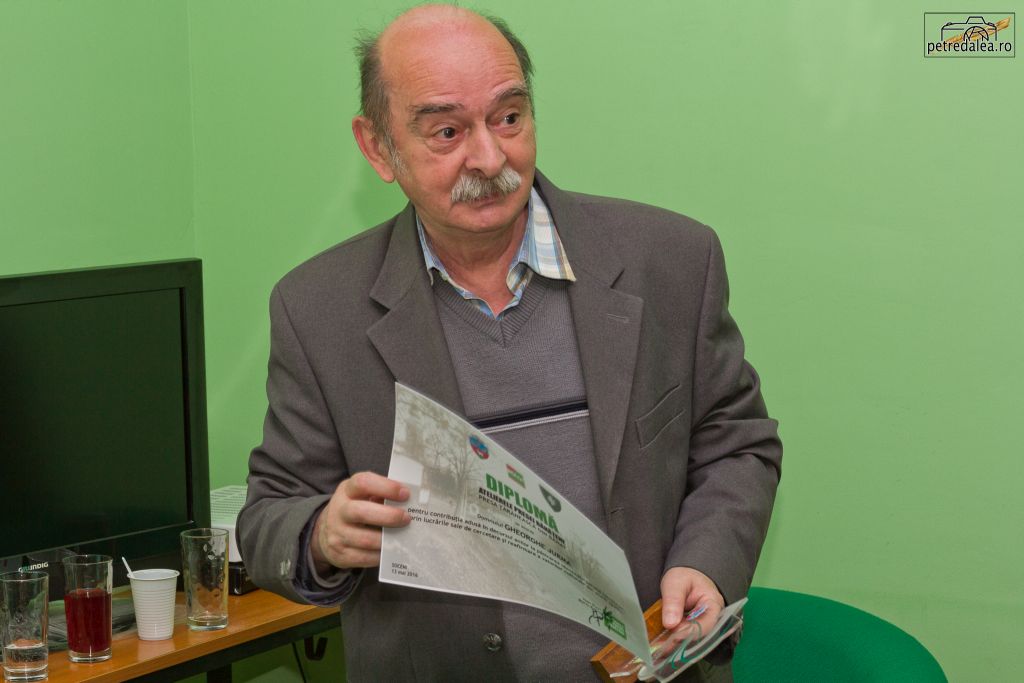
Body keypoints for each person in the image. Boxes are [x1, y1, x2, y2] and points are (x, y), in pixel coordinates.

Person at [239, 5, 781, 681]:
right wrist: (323, 532)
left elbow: (737, 442)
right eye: (447, 131)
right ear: (377, 147)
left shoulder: (670, 260)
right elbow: (267, 516)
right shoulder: (318, 308)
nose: (491, 158)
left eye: (509, 118)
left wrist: (706, 562)